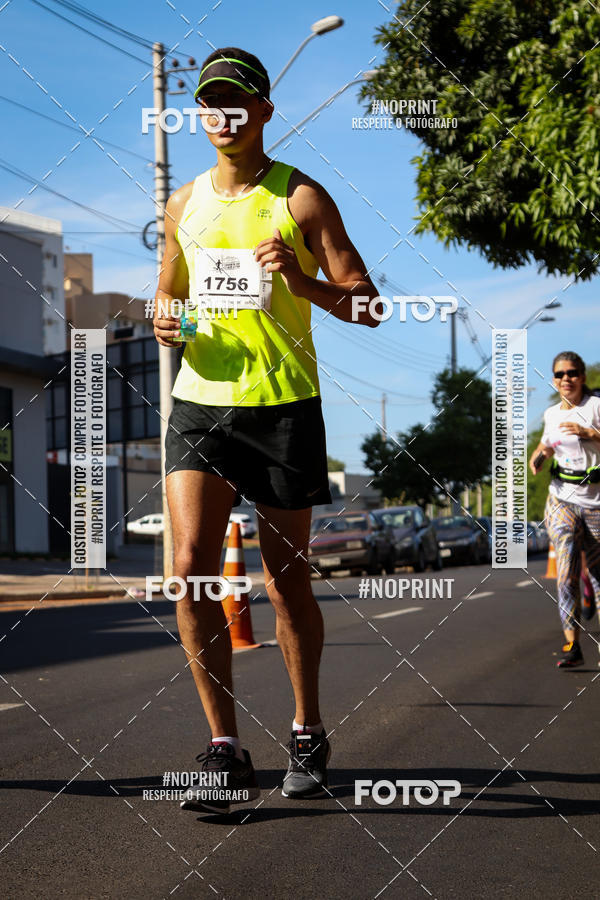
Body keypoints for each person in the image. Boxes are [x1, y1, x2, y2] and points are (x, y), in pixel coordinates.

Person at [152, 47, 379, 813]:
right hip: (200, 404)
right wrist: (167, 320)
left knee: (285, 583)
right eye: (211, 103)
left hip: (282, 406)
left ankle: (307, 728)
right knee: (190, 568)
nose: (224, 115)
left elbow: (368, 305)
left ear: (264, 111)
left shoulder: (301, 198)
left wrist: (299, 280)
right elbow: (169, 299)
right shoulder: (181, 205)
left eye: (237, 101)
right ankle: (224, 750)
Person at [529, 352, 600, 668]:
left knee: (598, 574)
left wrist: (590, 433)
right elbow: (547, 445)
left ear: (582, 377)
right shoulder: (551, 414)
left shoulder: (596, 406)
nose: (565, 379)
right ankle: (573, 645)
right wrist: (538, 458)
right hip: (561, 498)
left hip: (596, 502)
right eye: (559, 374)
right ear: (554, 380)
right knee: (566, 567)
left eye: (571, 373)